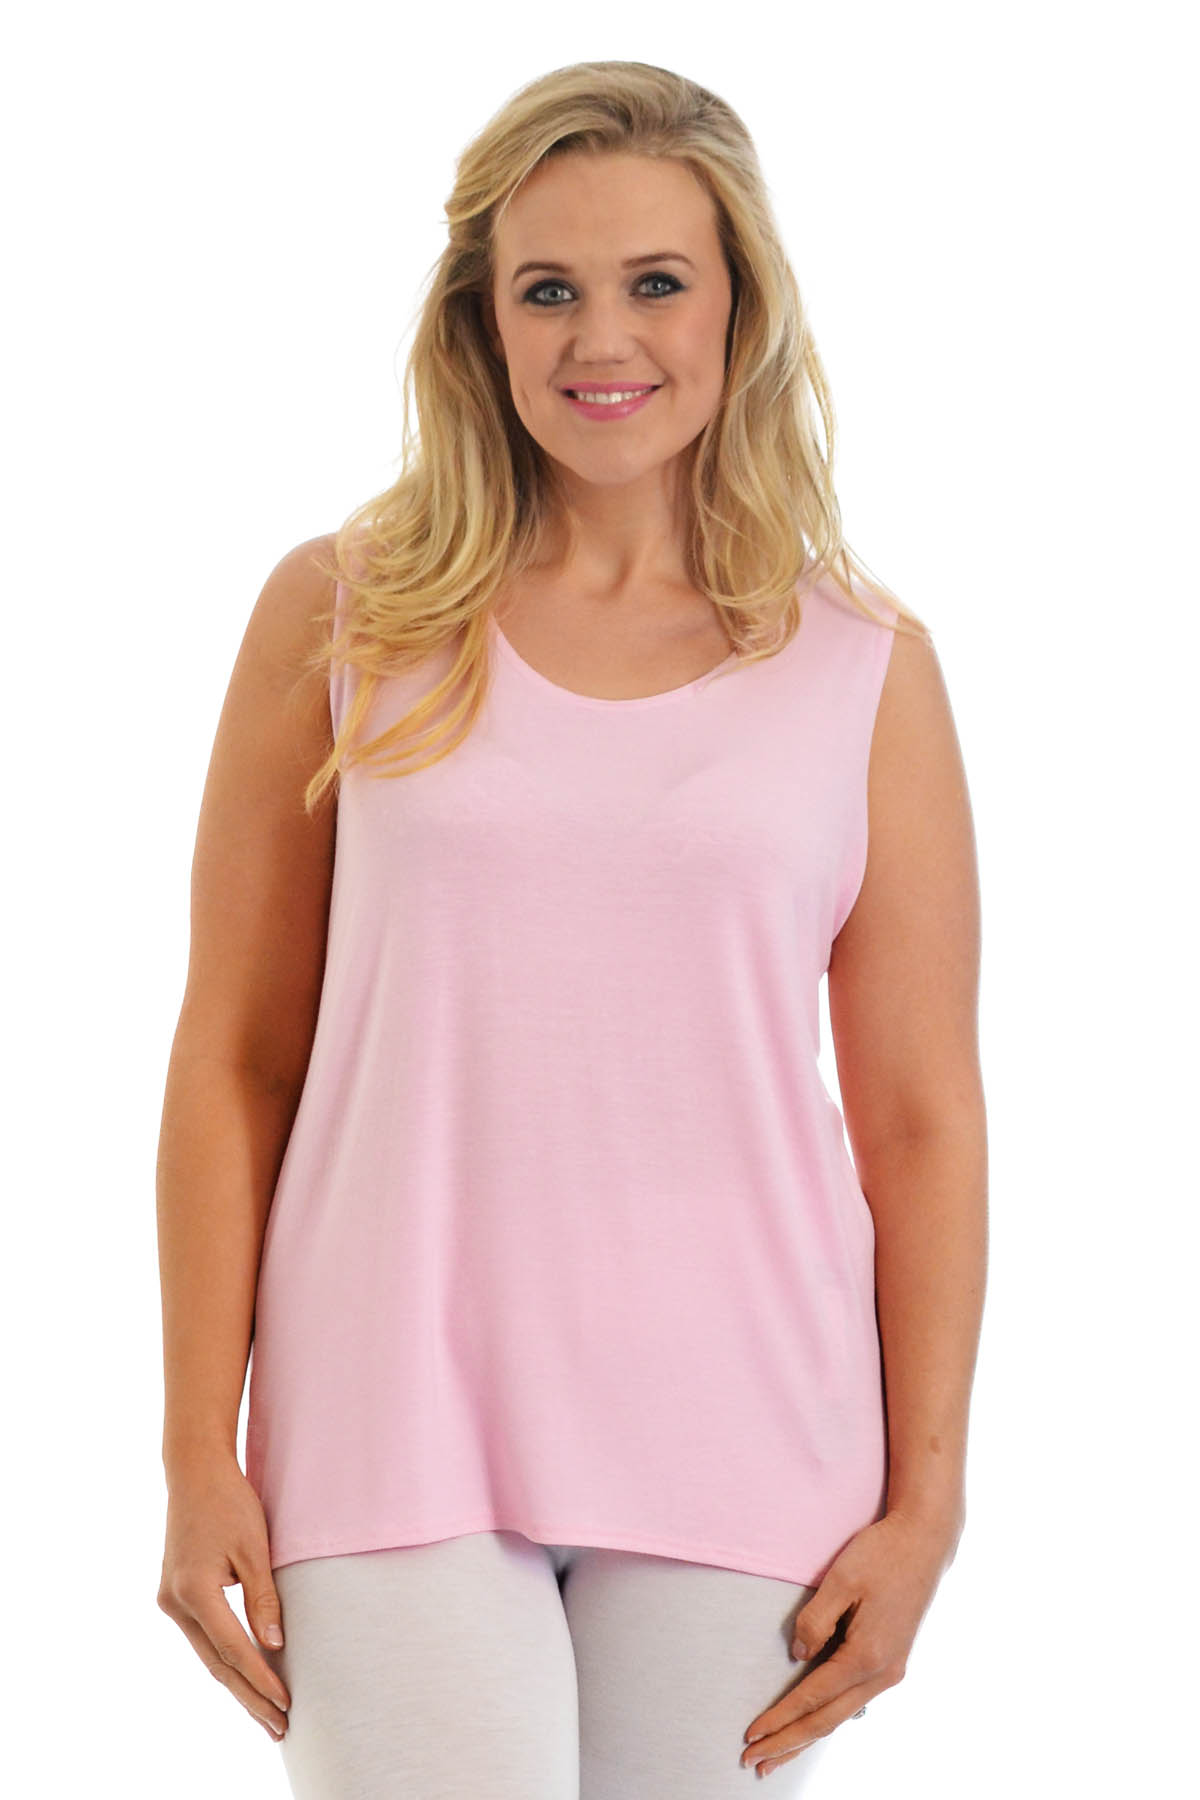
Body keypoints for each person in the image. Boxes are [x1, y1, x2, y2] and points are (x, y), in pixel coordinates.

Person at [155, 59, 987, 1798]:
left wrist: (928, 1508)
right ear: (482, 319)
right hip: (390, 1408)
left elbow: (918, 1119)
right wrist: (192, 1449)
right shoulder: (343, 614)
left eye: (656, 282)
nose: (603, 338)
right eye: (548, 289)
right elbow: (238, 1056)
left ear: (741, 305)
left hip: (747, 1432)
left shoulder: (863, 666)